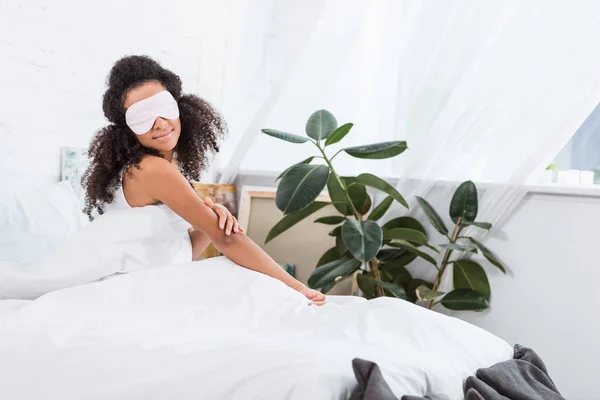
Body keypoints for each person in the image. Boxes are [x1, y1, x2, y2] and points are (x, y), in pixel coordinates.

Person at [81, 55, 326, 306]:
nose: (160, 123)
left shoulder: (160, 165)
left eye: (163, 108)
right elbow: (227, 239)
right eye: (142, 116)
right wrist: (298, 288)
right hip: (137, 297)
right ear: (127, 128)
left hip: (150, 287)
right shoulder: (151, 170)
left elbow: (178, 253)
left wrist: (209, 223)